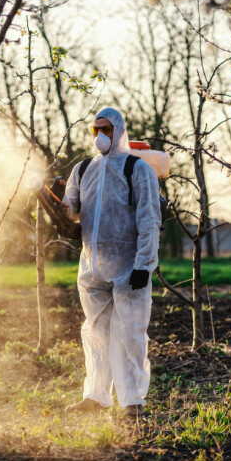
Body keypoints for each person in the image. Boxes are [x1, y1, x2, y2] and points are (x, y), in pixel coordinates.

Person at [61, 107, 162, 420]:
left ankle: (132, 401)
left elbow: (149, 219)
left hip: (129, 264)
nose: (100, 136)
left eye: (106, 129)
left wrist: (144, 265)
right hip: (92, 267)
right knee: (95, 332)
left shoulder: (136, 168)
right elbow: (71, 213)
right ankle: (96, 395)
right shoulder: (82, 169)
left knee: (130, 332)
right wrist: (56, 202)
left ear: (119, 130)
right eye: (95, 130)